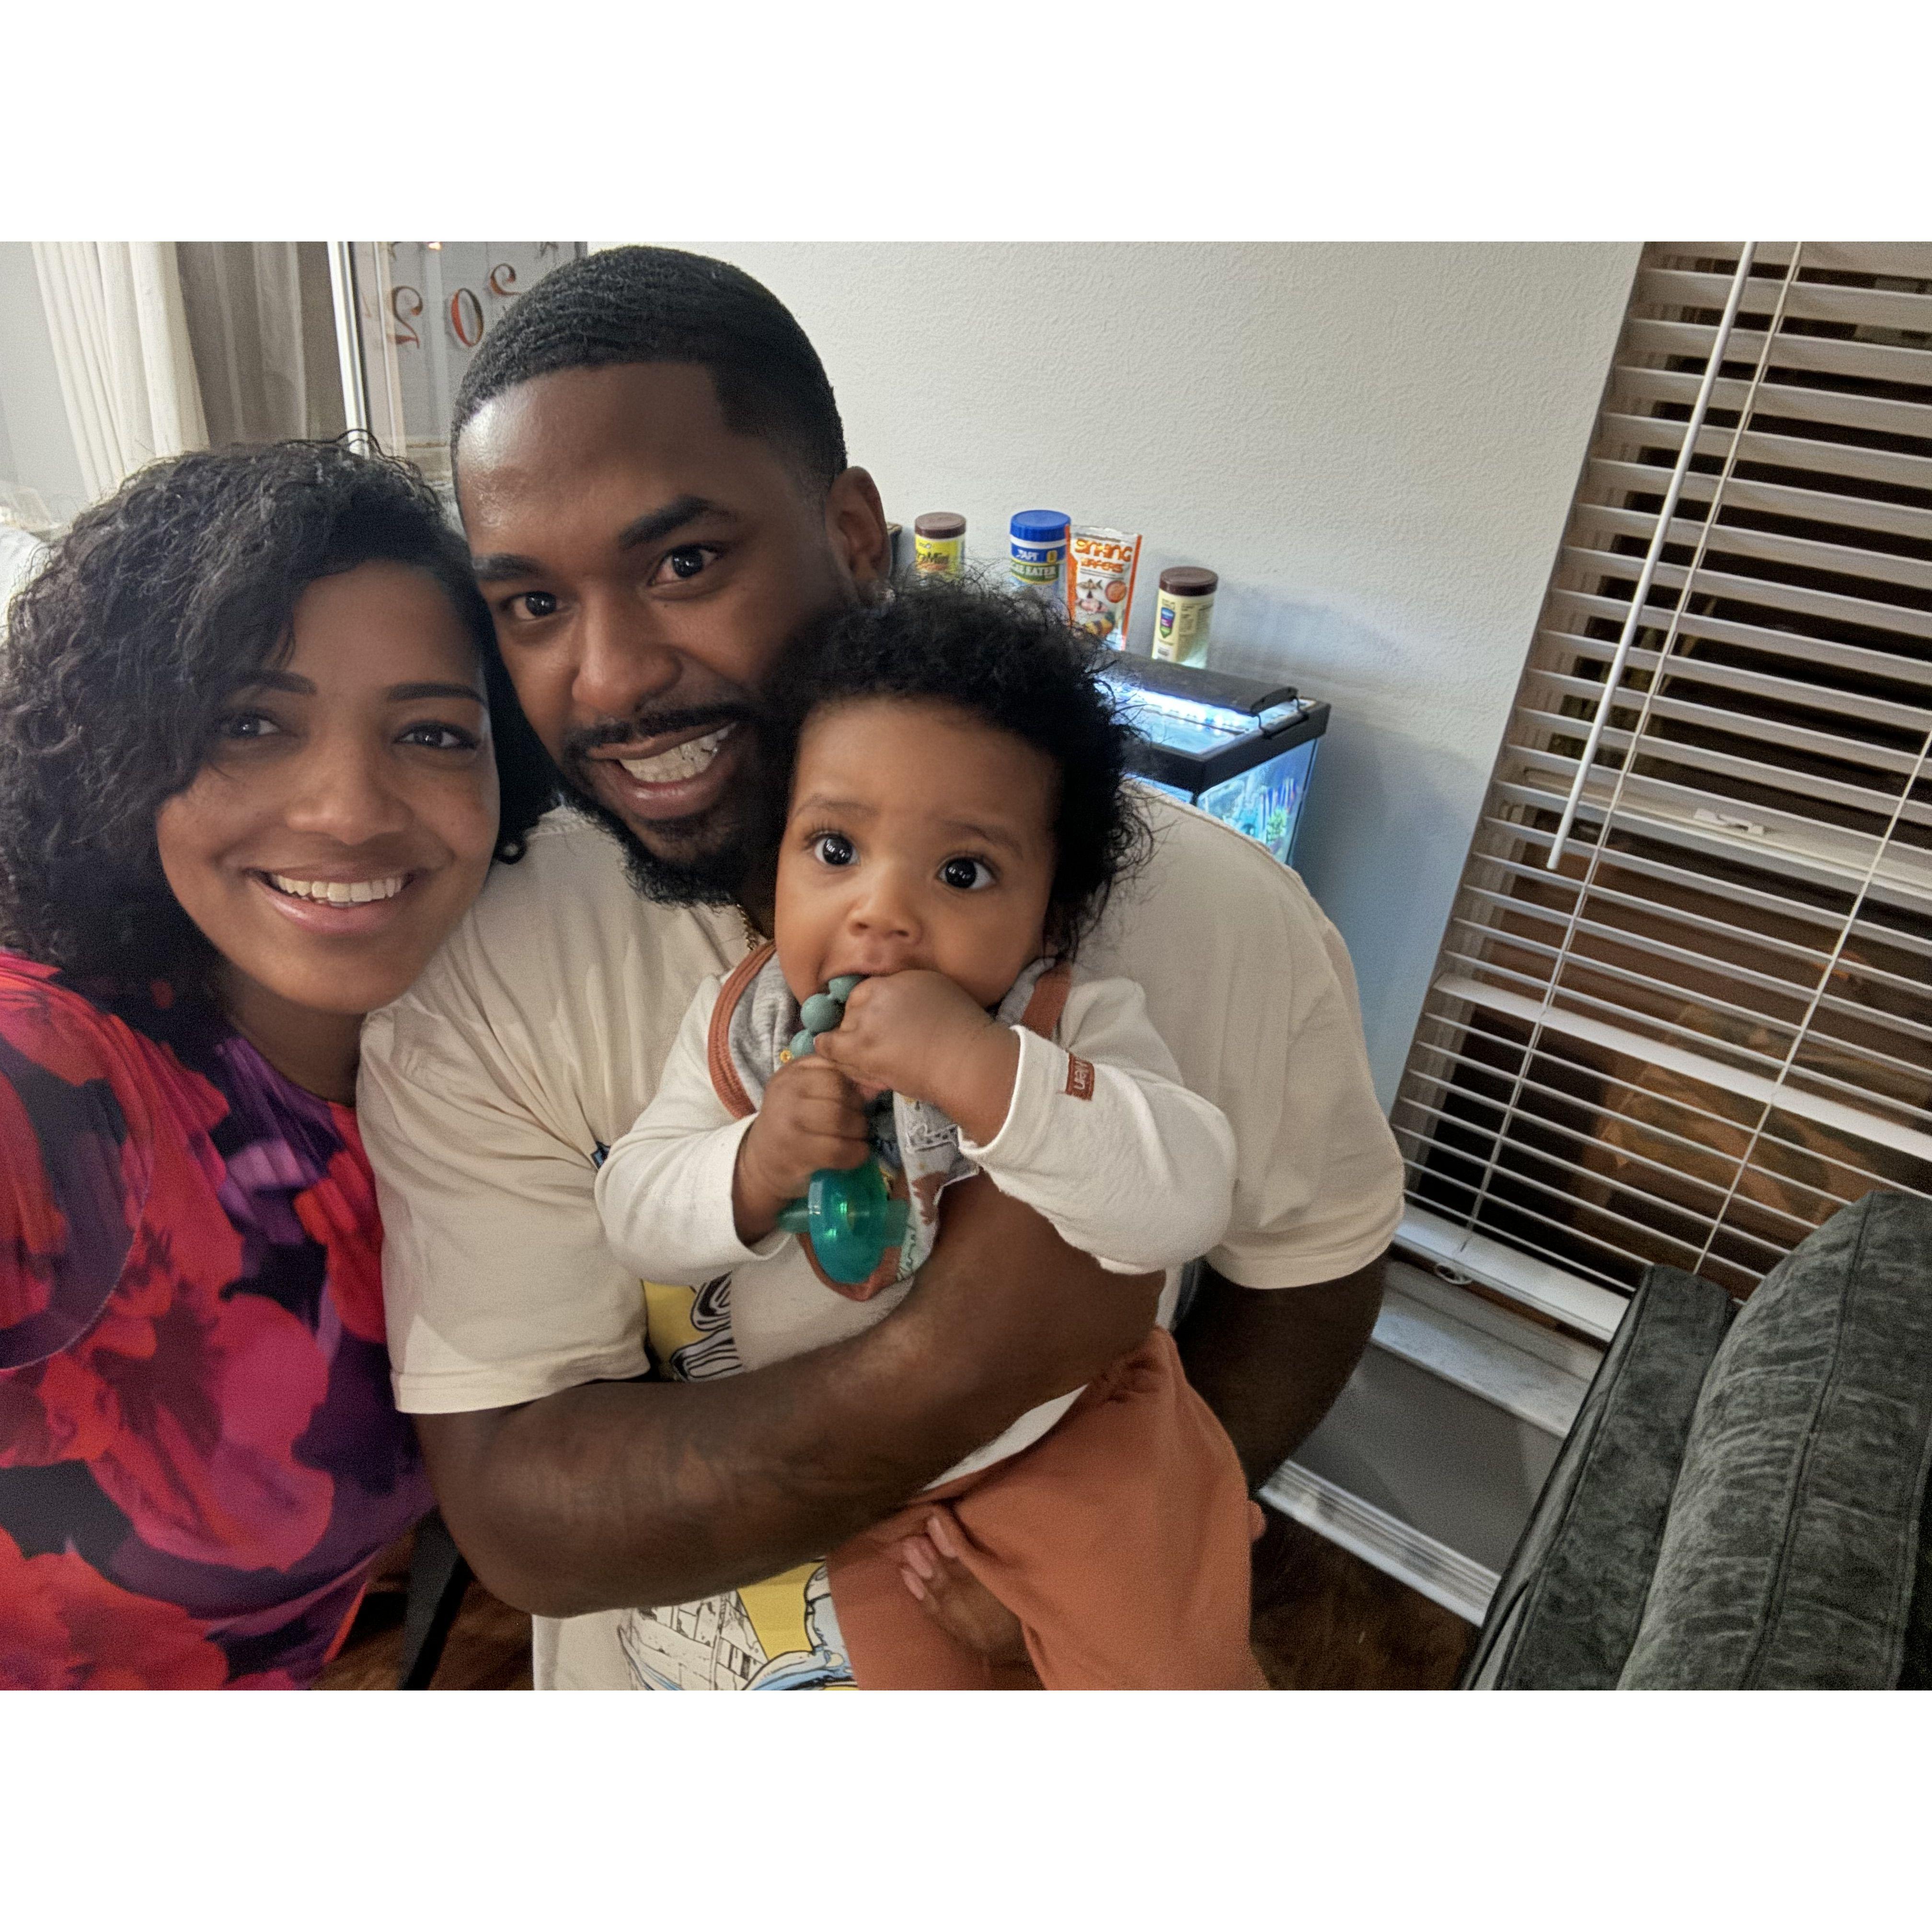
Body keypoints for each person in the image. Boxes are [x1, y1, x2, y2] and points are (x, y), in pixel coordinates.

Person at [357, 245, 1405, 1691]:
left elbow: (1311, 1266)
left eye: (683, 563)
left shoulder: (1212, 915)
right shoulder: (486, 970)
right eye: (533, 605)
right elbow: (524, 1513)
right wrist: (958, 1363)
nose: (608, 678)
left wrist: (1109, 1556)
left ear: (854, 536)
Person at [596, 584, 1261, 1688]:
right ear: (772, 865)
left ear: (1050, 917)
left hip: (1075, 1441)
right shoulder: (745, 1031)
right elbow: (632, 1210)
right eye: (835, 848)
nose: (884, 911)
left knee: (1161, 1675)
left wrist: (983, 1070)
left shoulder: (1064, 1022)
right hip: (867, 1490)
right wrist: (751, 1165)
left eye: (962, 872)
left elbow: (1186, 1196)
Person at [0, 440, 551, 1688]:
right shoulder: (51, 1083)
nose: (349, 809)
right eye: (252, 724)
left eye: (432, 732)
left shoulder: (483, 1081)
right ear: (123, 748)